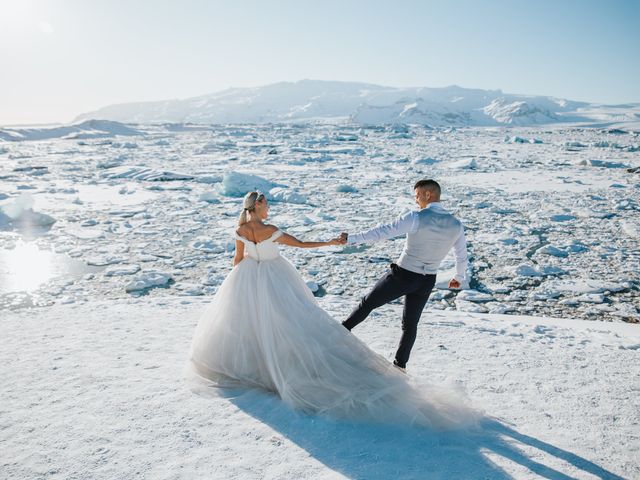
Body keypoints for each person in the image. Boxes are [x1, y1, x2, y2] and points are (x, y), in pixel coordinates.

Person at [188, 190, 476, 428]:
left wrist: (240, 283)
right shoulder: (271, 230)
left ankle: (260, 362)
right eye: (267, 205)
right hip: (278, 277)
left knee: (251, 322)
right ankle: (356, 347)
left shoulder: (239, 229)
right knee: (286, 321)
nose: (268, 210)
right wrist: (331, 241)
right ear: (259, 205)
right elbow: (301, 245)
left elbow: (238, 261)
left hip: (248, 278)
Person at [342, 179, 468, 372]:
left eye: (417, 196)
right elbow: (461, 255)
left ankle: (339, 333)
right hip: (426, 281)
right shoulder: (456, 224)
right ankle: (400, 366)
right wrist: (458, 277)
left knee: (367, 303)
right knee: (410, 324)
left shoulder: (416, 217)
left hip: (403, 276)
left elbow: (383, 231)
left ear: (428, 194)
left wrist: (351, 238)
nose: (416, 200)